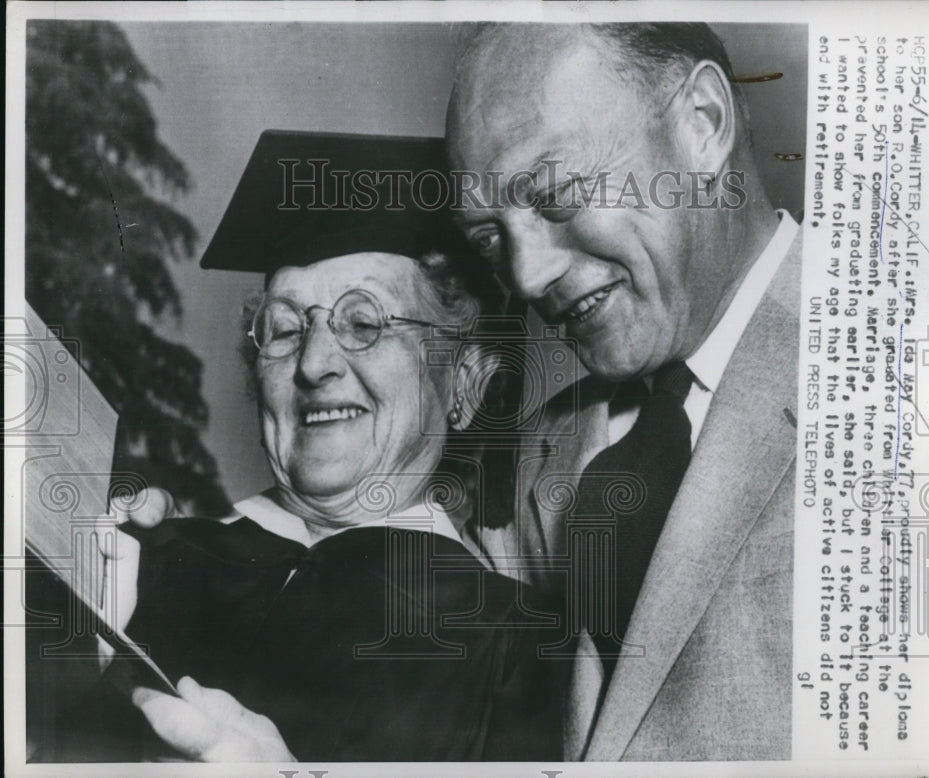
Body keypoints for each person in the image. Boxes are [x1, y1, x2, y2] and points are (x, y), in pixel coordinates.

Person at [54, 130, 564, 762]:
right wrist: (65, 623)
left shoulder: (514, 645)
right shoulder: (144, 563)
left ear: (464, 382)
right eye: (286, 328)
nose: (315, 363)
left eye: (365, 324)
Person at [444, 23, 802, 761]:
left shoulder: (920, 370)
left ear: (702, 124)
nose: (527, 275)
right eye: (487, 239)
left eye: (557, 193)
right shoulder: (543, 448)